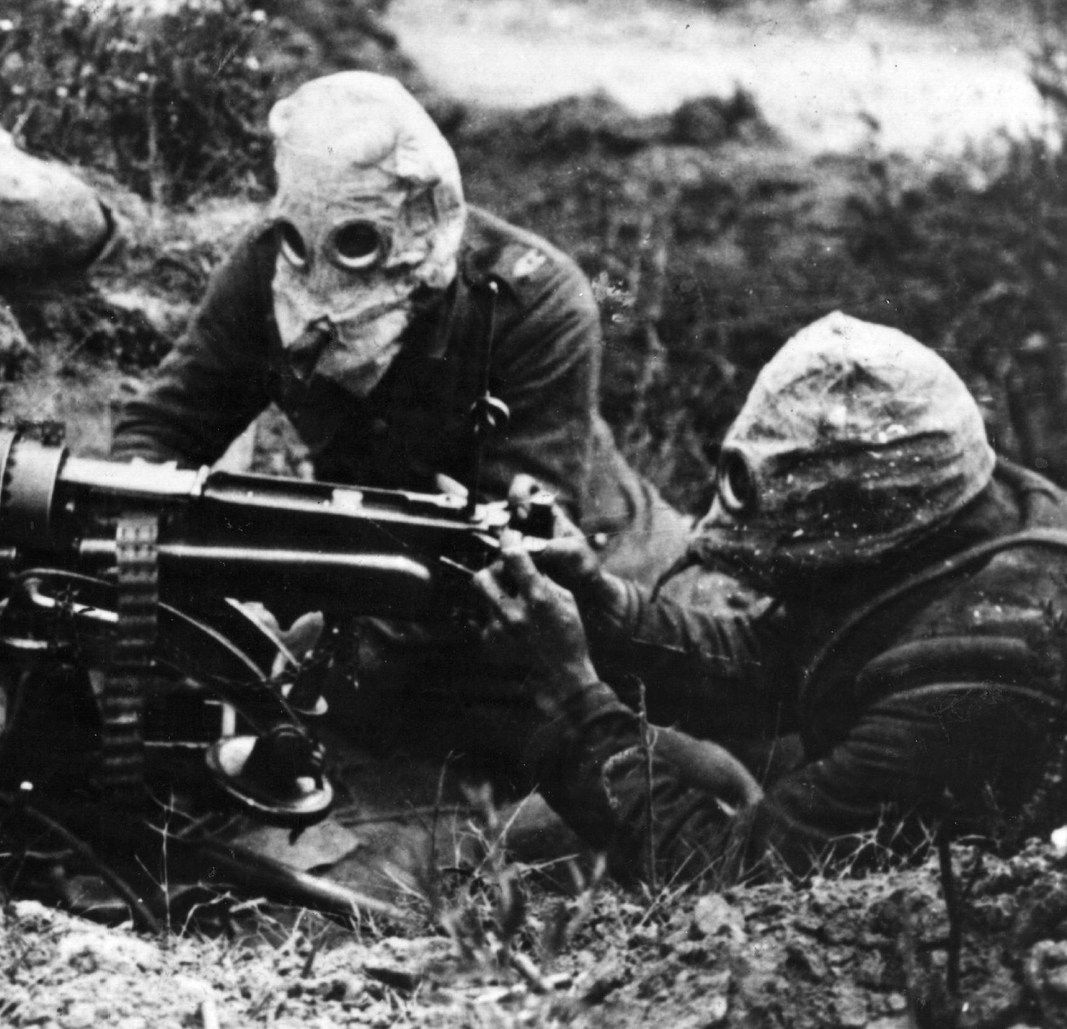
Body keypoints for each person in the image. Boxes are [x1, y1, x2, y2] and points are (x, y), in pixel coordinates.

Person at [112, 72, 688, 810]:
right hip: (390, 577)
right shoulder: (270, 268)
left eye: (359, 241)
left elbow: (508, 563)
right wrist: (153, 573)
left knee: (617, 785)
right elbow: (165, 425)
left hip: (587, 583)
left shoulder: (534, 303)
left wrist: (316, 655)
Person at [475, 312, 1067, 886]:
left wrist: (573, 698)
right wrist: (607, 611)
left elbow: (729, 876)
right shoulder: (953, 509)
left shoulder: (978, 679)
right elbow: (778, 657)